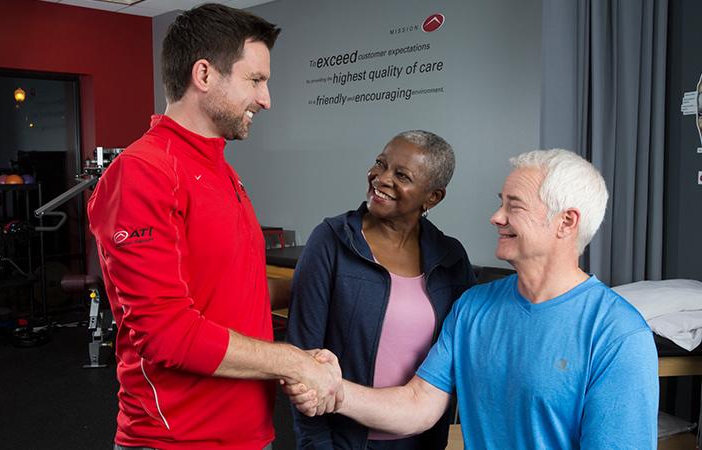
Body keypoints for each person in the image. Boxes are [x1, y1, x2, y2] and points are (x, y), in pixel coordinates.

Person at [87, 4, 341, 449]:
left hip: (247, 431)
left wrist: (318, 289)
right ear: (203, 75)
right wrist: (293, 363)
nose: (266, 99)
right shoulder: (143, 172)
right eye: (256, 80)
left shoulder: (222, 171)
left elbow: (226, 290)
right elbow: (166, 331)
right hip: (177, 439)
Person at [288, 149, 659, 449]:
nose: (496, 216)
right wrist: (334, 391)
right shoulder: (473, 307)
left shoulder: (617, 336)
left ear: (566, 222)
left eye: (514, 206)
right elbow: (417, 405)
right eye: (501, 202)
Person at [286, 131, 475, 450]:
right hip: (342, 442)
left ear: (433, 197)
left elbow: (463, 357)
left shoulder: (451, 258)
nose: (381, 178)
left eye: (401, 175)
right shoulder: (331, 241)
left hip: (422, 442)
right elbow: (302, 358)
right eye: (380, 163)